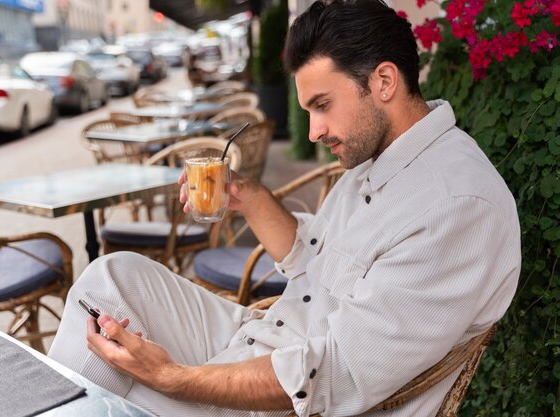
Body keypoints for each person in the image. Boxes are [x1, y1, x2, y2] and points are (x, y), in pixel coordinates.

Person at [48, 1, 521, 416]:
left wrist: (172, 377)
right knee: (110, 279)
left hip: (289, 400)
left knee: (112, 391)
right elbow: (312, 259)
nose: (314, 130)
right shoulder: (377, 161)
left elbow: (334, 375)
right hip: (267, 333)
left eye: (322, 105)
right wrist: (249, 197)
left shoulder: (456, 208)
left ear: (383, 81)